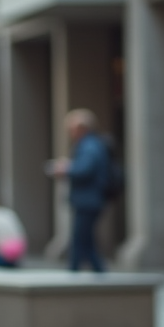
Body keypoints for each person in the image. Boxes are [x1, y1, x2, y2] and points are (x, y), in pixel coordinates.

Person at [50, 108, 111, 273]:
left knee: (80, 240)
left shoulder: (89, 145)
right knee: (85, 240)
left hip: (87, 200)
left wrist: (66, 169)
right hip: (88, 199)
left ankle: (75, 274)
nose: (70, 133)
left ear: (81, 128)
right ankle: (96, 273)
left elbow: (85, 169)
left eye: (72, 129)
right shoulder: (90, 145)